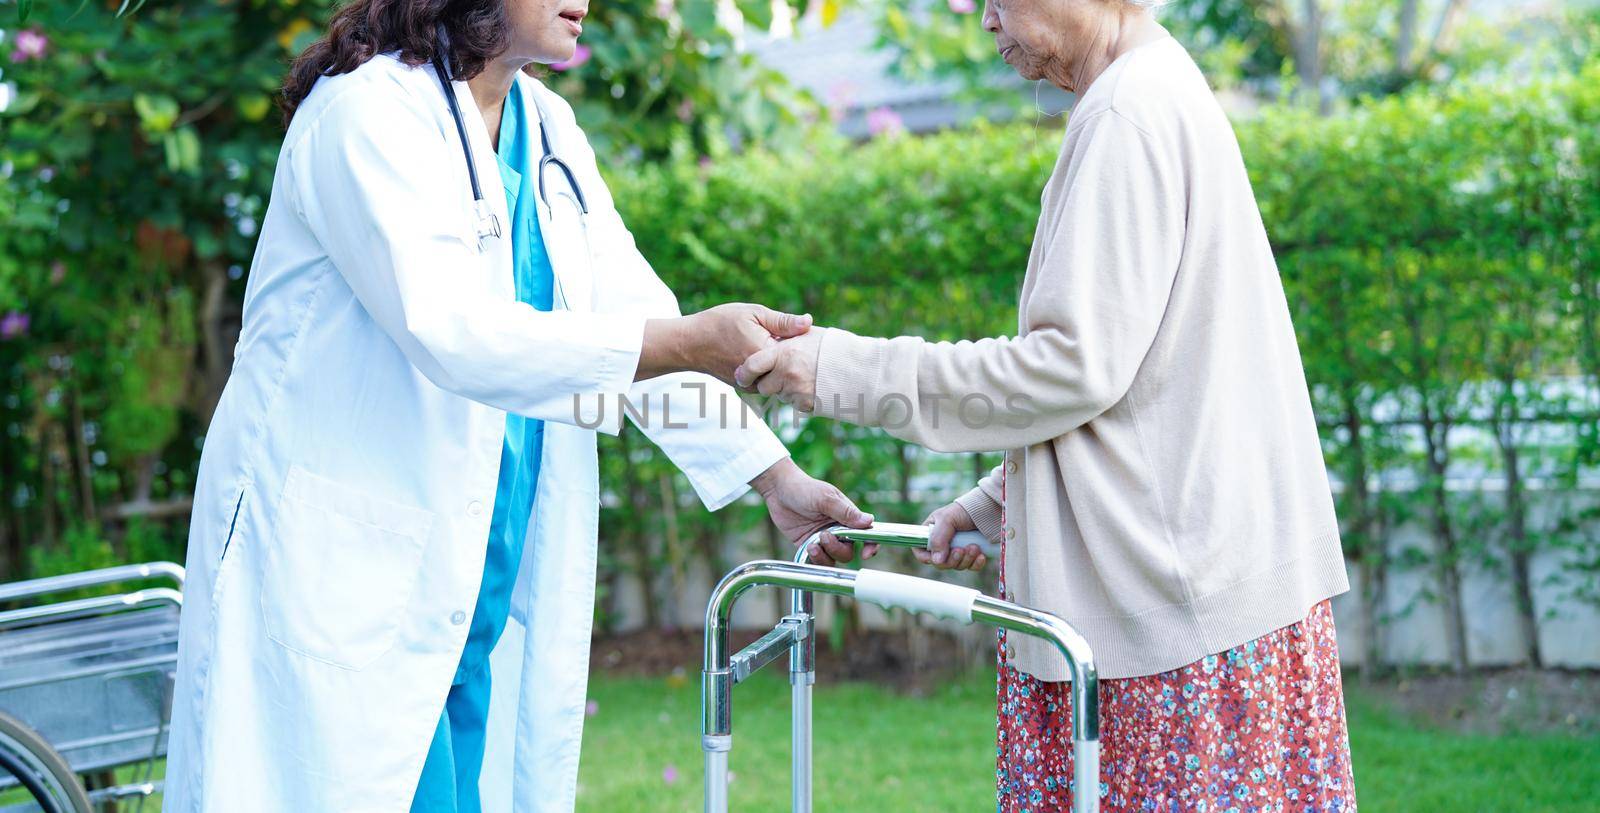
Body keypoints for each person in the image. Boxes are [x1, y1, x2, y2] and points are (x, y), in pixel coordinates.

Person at [161, 1, 873, 810]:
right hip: (344, 577)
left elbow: (631, 306)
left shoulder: (549, 128)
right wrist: (686, 342)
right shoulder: (363, 113)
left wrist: (772, 476)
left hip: (475, 587)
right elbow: (453, 331)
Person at [737, 0, 1357, 810]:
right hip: (1205, 603)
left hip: (1171, 630)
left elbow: (1071, 367)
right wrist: (1000, 502)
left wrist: (834, 369)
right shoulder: (1152, 85)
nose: (985, 17)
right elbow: (1152, 373)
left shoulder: (1126, 114)